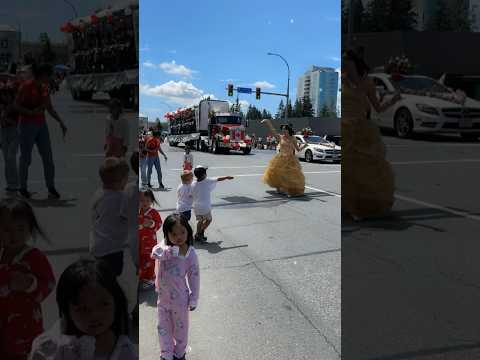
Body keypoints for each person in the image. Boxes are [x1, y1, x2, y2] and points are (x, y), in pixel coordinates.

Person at [29, 259, 138, 359]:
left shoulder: (123, 347)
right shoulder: (49, 347)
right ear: (67, 310)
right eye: (83, 309)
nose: (95, 315)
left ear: (116, 302)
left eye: (104, 304)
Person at [341, 49, 402, 221]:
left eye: (345, 59)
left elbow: (378, 108)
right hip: (344, 129)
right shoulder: (341, 81)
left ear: (354, 62)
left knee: (365, 170)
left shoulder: (367, 82)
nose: (342, 61)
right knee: (347, 170)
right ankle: (347, 206)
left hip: (362, 130)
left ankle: (362, 206)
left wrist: (392, 100)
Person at [0, 198, 55, 359]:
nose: (14, 235)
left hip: (24, 327)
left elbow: (49, 283)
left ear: (30, 229)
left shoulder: (34, 257)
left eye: (20, 228)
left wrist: (31, 284)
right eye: (7, 229)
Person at [15, 63, 68, 199]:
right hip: (27, 125)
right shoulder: (26, 87)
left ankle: (51, 187)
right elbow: (16, 105)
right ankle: (22, 188)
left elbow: (49, 108)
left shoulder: (44, 88)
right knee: (26, 158)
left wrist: (60, 122)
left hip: (41, 125)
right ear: (41, 75)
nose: (49, 77)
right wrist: (30, 112)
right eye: (47, 75)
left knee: (48, 157)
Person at [151, 213, 199, 360]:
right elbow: (154, 253)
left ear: (188, 232)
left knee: (181, 329)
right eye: (174, 233)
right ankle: (166, 354)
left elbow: (194, 277)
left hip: (180, 300)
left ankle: (179, 353)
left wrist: (193, 298)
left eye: (182, 232)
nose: (179, 237)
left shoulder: (190, 254)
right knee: (163, 328)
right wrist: (168, 251)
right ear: (167, 234)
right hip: (163, 300)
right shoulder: (164, 246)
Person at [90, 157, 129, 277]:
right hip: (113, 248)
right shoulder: (120, 198)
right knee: (113, 275)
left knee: (102, 275)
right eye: (125, 179)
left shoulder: (99, 194)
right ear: (120, 181)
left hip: (98, 244)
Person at [260, 120, 307, 197]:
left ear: (288, 130)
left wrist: (304, 146)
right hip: (280, 158)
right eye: (282, 129)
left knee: (289, 176)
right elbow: (273, 130)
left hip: (290, 159)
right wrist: (267, 122)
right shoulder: (280, 137)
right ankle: (279, 189)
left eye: (285, 129)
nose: (283, 130)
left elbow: (298, 149)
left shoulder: (293, 138)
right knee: (278, 174)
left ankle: (288, 191)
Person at [191, 165, 234, 242]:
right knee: (209, 220)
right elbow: (218, 179)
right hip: (205, 208)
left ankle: (197, 234)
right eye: (205, 172)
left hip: (196, 208)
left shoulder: (193, 183)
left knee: (199, 220)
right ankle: (200, 232)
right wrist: (227, 177)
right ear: (204, 175)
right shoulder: (207, 181)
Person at [138, 188, 162, 289]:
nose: (145, 203)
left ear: (151, 201)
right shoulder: (137, 211)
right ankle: (141, 277)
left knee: (149, 260)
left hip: (149, 242)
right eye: (142, 200)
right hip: (138, 242)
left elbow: (159, 223)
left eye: (147, 200)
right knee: (140, 259)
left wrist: (152, 224)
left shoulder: (153, 212)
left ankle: (150, 279)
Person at [0, 77, 20, 193]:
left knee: (11, 157)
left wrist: (5, 116)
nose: (5, 96)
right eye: (3, 94)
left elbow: (15, 122)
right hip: (4, 131)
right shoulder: (2, 105)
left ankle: (16, 183)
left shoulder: (15, 105)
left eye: (8, 94)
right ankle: (10, 183)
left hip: (14, 131)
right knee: (6, 159)